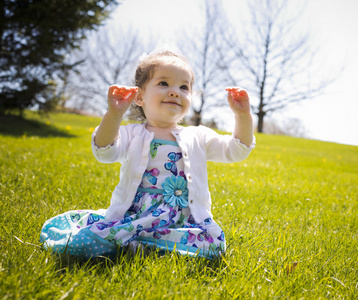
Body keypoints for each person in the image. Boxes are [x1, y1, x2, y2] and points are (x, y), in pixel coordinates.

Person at [40, 49, 255, 259]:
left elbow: (235, 151)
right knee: (82, 243)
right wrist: (114, 115)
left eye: (183, 87)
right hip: (136, 216)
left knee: (214, 247)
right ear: (140, 97)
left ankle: (141, 246)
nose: (174, 91)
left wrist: (243, 116)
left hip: (183, 221)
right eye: (163, 83)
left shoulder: (197, 136)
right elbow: (104, 152)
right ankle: (145, 244)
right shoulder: (132, 134)